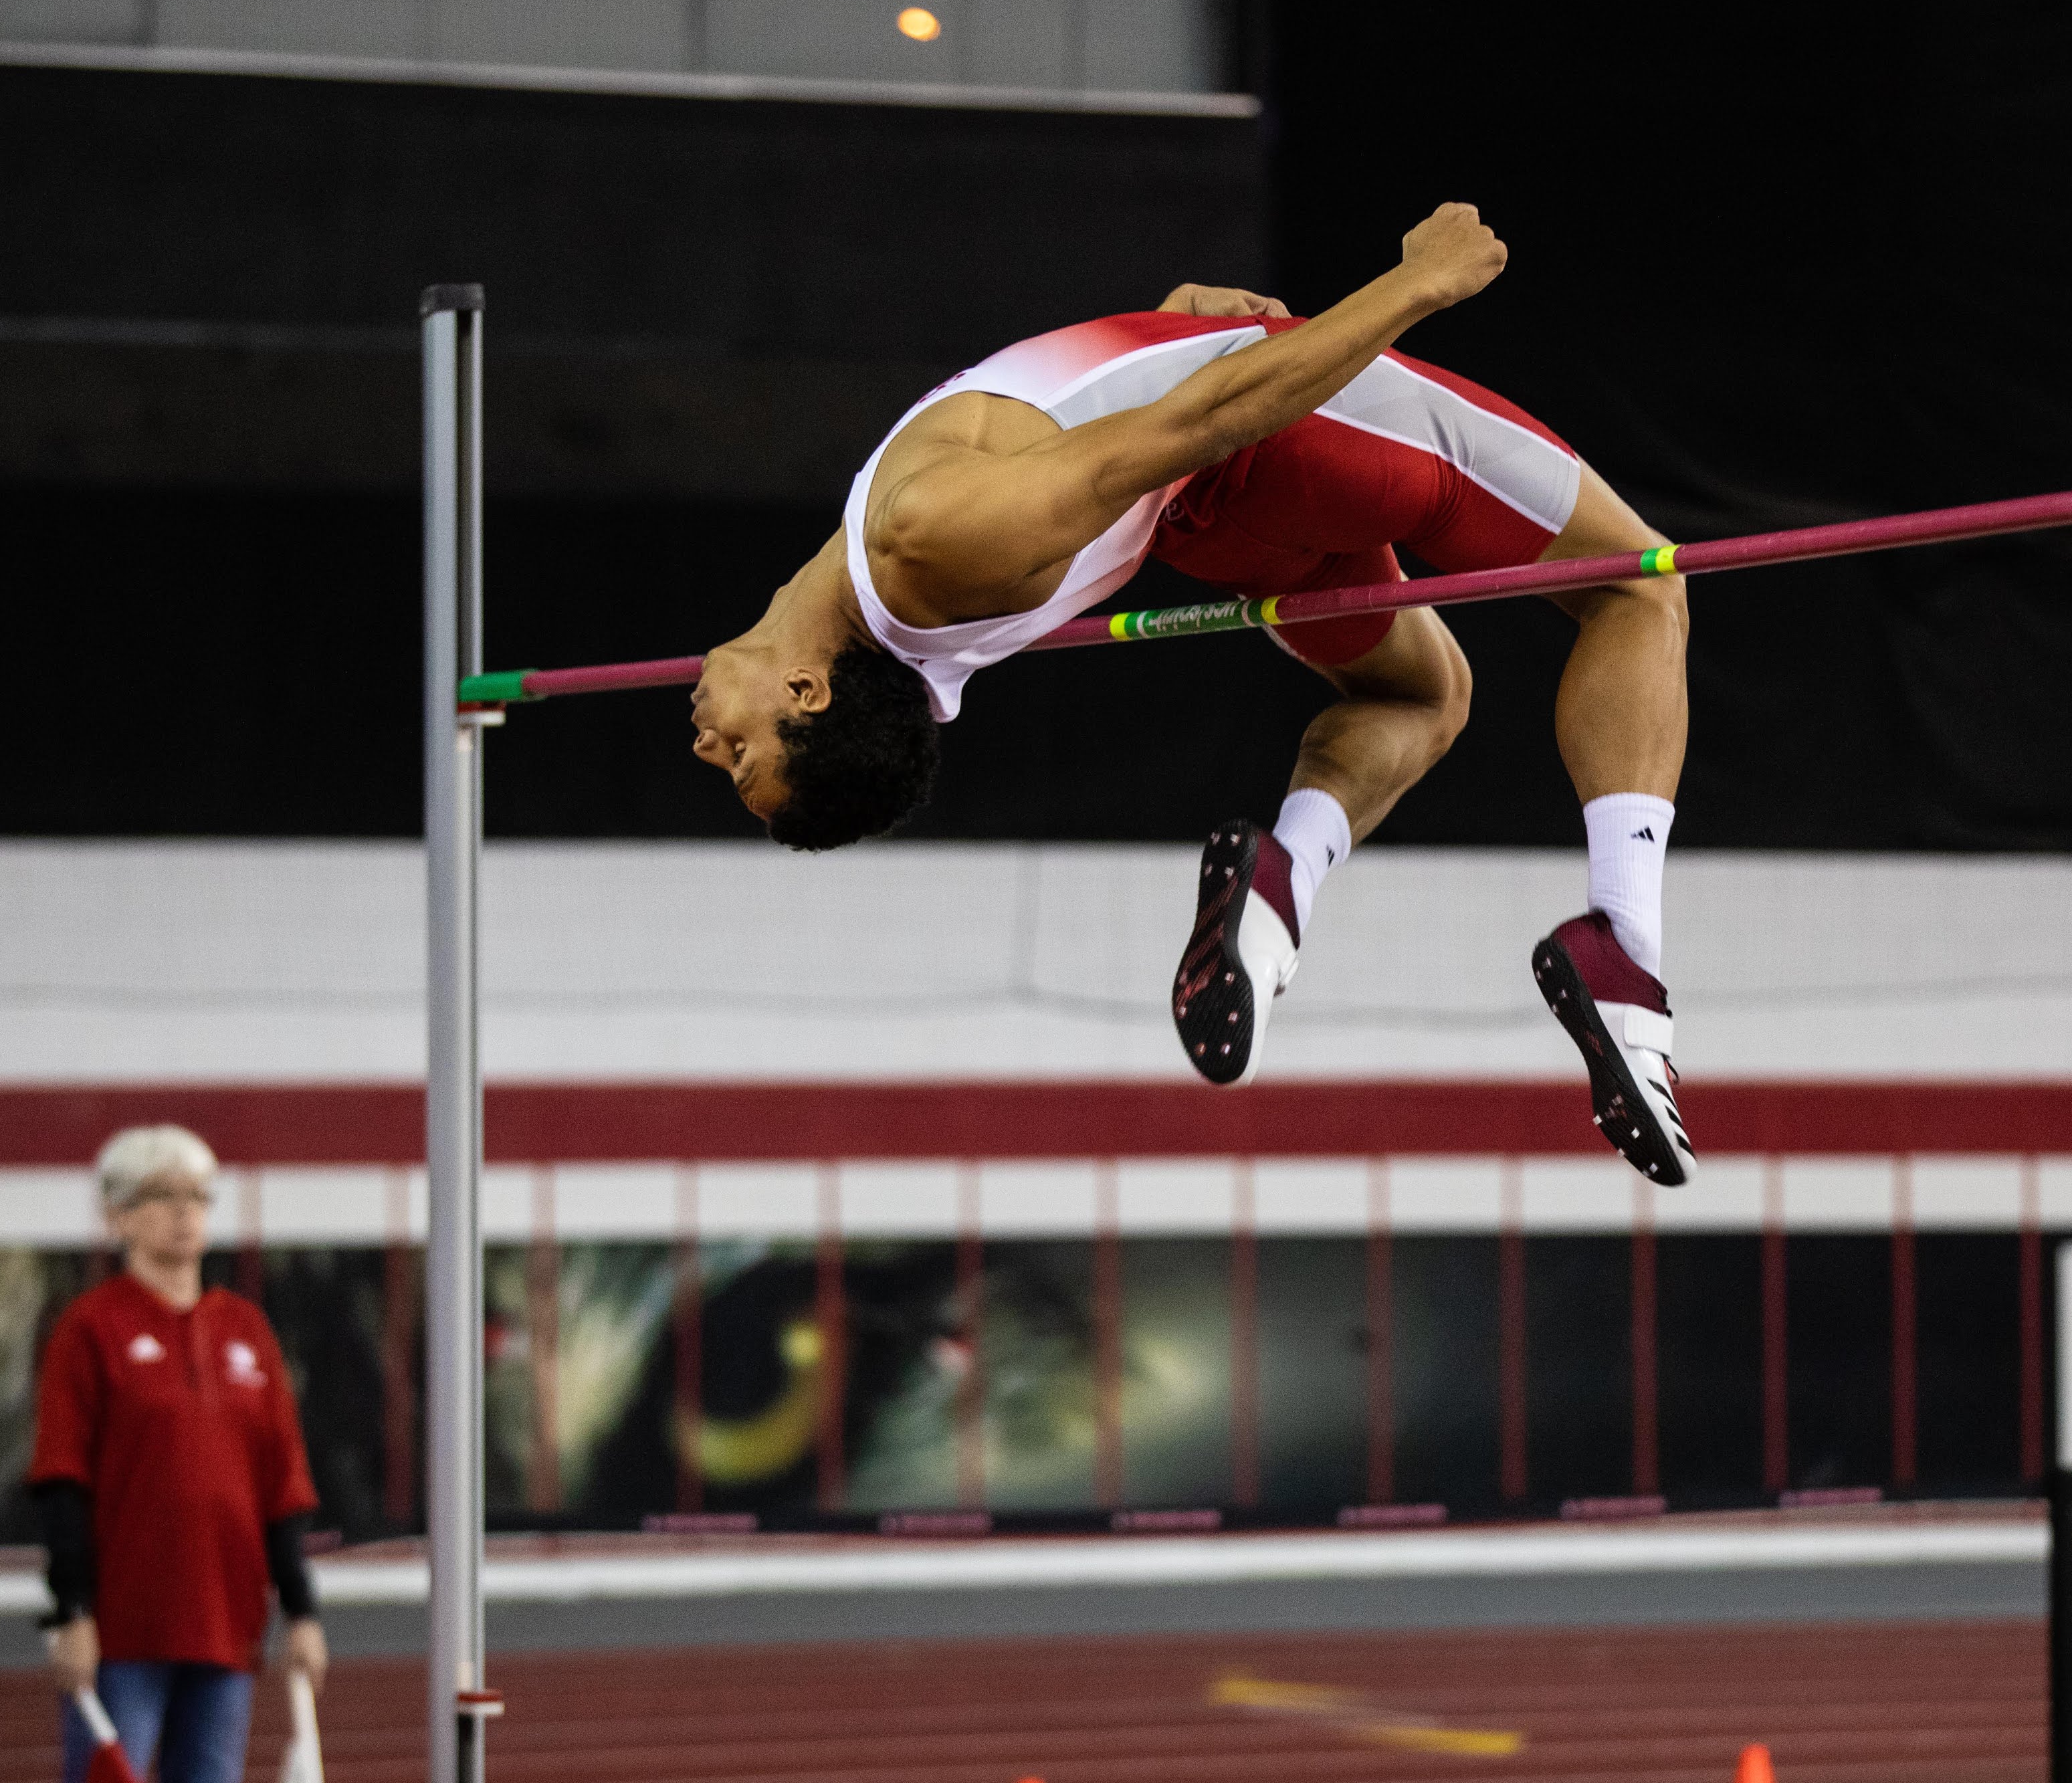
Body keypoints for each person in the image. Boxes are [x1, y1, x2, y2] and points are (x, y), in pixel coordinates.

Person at [686, 204, 1698, 1184]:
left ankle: (1279, 888)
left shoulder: (902, 638)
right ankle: (1626, 951)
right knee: (1635, 588)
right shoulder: (929, 535)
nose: (705, 747)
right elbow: (1200, 417)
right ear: (808, 691)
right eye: (741, 754)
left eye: (730, 762)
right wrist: (1414, 284)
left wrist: (1164, 331)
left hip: (1218, 520)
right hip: (1282, 443)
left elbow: (1082, 434)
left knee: (1420, 698)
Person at [31, 1126, 326, 1783]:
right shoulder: (88, 1329)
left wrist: (303, 1611)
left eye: (197, 1196)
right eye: (163, 1196)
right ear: (119, 1215)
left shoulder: (247, 1331)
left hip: (227, 1626)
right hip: (121, 1632)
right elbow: (60, 1479)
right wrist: (71, 1611)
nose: (186, 1211)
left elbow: (281, 1487)